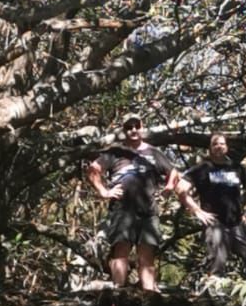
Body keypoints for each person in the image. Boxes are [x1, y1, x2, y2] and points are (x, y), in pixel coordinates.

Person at [85, 115, 200, 290]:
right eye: (128, 127)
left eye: (136, 126)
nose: (133, 130)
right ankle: (118, 290)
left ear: (141, 127)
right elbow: (94, 169)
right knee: (121, 250)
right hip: (122, 209)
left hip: (148, 210)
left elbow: (173, 171)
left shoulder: (154, 153)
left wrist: (169, 186)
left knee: (147, 254)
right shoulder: (116, 152)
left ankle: (148, 294)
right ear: (124, 130)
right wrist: (104, 192)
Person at [183, 132, 246, 277]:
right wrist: (196, 210)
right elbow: (181, 189)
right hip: (215, 223)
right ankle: (213, 297)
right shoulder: (201, 168)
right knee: (217, 263)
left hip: (237, 223)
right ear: (210, 148)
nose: (219, 147)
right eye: (215, 144)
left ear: (227, 147)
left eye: (222, 144)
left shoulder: (237, 168)